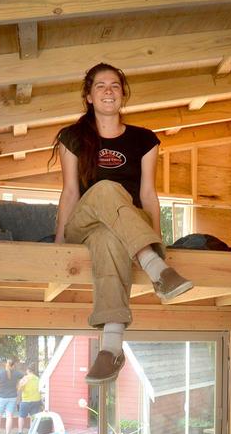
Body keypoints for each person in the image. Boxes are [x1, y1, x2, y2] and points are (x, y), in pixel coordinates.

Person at [53, 62, 193, 384]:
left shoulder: (144, 140)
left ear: (123, 94)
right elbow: (70, 192)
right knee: (105, 189)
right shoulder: (72, 138)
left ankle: (111, 347)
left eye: (115, 85)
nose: (108, 91)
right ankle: (155, 268)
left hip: (123, 223)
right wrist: (59, 244)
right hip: (84, 221)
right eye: (100, 86)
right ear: (89, 96)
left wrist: (158, 239)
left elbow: (148, 194)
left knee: (108, 238)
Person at [17, 365, 44, 434]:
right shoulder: (38, 379)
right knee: (33, 417)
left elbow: (19, 388)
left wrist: (21, 384)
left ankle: (20, 433)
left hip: (26, 401)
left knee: (21, 417)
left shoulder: (24, 378)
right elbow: (41, 390)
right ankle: (32, 433)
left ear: (27, 370)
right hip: (36, 401)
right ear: (33, 371)